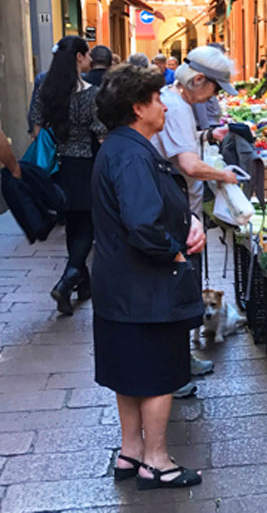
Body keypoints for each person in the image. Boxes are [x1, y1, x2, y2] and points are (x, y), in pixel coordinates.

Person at [92, 64, 204, 490]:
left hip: (120, 287)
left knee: (130, 372)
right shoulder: (133, 154)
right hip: (145, 288)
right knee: (157, 373)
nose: (164, 105)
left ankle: (131, 451)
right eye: (157, 99)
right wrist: (173, 250)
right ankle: (156, 459)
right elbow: (142, 224)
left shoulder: (120, 148)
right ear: (139, 108)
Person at [150, 46, 238, 392]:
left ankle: (180, 362)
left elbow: (181, 148)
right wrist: (225, 175)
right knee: (179, 289)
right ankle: (174, 370)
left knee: (183, 288)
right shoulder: (174, 107)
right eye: (215, 88)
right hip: (176, 213)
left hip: (182, 210)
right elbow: (187, 164)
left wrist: (205, 137)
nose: (214, 96)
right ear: (198, 80)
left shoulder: (179, 103)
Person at [30, 35, 107, 314]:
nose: (89, 60)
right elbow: (100, 134)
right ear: (78, 57)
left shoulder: (45, 89)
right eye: (86, 55)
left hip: (56, 166)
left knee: (73, 226)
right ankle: (66, 282)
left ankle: (82, 285)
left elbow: (37, 128)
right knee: (87, 226)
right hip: (83, 164)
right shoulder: (89, 93)